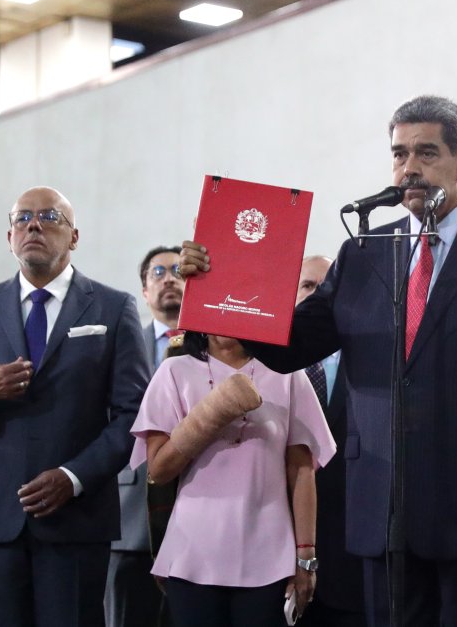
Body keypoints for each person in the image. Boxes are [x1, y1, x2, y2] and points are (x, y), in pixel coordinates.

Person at [180, 95, 457, 626]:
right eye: (399, 154)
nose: (410, 168)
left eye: (426, 153)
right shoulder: (364, 252)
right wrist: (218, 283)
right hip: (385, 520)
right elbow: (289, 346)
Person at [0, 186, 150, 627]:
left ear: (74, 236)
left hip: (76, 516)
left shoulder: (114, 308)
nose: (33, 225)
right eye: (22, 218)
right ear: (9, 238)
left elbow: (133, 416)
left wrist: (74, 477)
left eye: (48, 217)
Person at [129, 331, 333, 627]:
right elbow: (159, 470)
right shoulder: (174, 371)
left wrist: (306, 558)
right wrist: (214, 411)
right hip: (192, 554)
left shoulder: (288, 373)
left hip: (270, 557)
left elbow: (302, 470)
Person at [107, 245, 185, 627]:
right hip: (131, 514)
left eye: (178, 271)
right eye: (158, 273)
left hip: (197, 504)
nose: (169, 279)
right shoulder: (119, 345)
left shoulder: (217, 346)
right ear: (144, 290)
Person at [295, 254, 366, 627]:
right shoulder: (267, 365)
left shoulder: (372, 361)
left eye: (326, 288)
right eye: (308, 286)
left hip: (350, 560)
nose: (317, 296)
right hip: (276, 562)